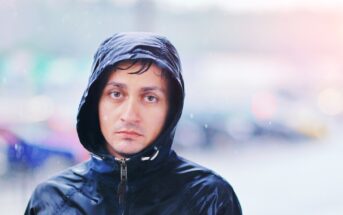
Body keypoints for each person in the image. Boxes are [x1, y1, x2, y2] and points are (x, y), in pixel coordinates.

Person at [25, 32, 242, 215]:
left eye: (150, 98)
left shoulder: (207, 197)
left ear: (170, 109)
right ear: (95, 102)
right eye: (116, 94)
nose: (130, 115)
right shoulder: (52, 200)